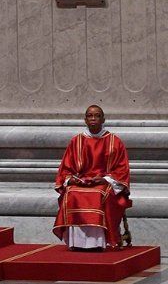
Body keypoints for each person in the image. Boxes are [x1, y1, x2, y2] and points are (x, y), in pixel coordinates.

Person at [53, 105, 132, 250]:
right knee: (71, 193)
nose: (93, 118)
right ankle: (76, 242)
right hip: (81, 181)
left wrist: (105, 179)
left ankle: (98, 242)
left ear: (103, 119)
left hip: (104, 183)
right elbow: (66, 168)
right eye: (90, 116)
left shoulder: (114, 142)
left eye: (97, 115)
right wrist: (71, 179)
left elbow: (122, 170)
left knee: (99, 194)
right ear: (85, 120)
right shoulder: (76, 141)